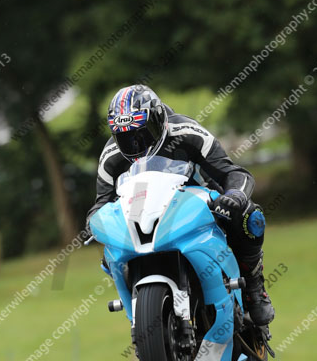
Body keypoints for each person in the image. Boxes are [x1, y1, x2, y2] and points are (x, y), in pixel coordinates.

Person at [87, 84, 275, 326]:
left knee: (251, 217)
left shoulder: (188, 133)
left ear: (158, 119)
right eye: (126, 138)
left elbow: (234, 173)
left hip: (202, 206)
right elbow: (101, 204)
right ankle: (138, 310)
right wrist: (98, 225)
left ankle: (254, 285)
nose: (136, 145)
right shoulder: (111, 157)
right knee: (107, 254)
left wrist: (235, 196)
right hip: (143, 215)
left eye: (143, 134)